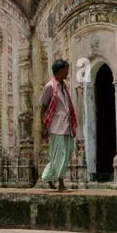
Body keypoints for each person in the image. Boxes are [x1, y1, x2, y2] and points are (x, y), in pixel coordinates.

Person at [38, 57, 78, 191]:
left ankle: (48, 177)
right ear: (60, 70)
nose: (68, 72)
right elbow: (43, 106)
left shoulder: (63, 87)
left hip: (67, 126)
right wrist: (43, 127)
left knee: (65, 155)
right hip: (56, 127)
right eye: (66, 69)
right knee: (59, 155)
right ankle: (61, 183)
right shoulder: (50, 86)